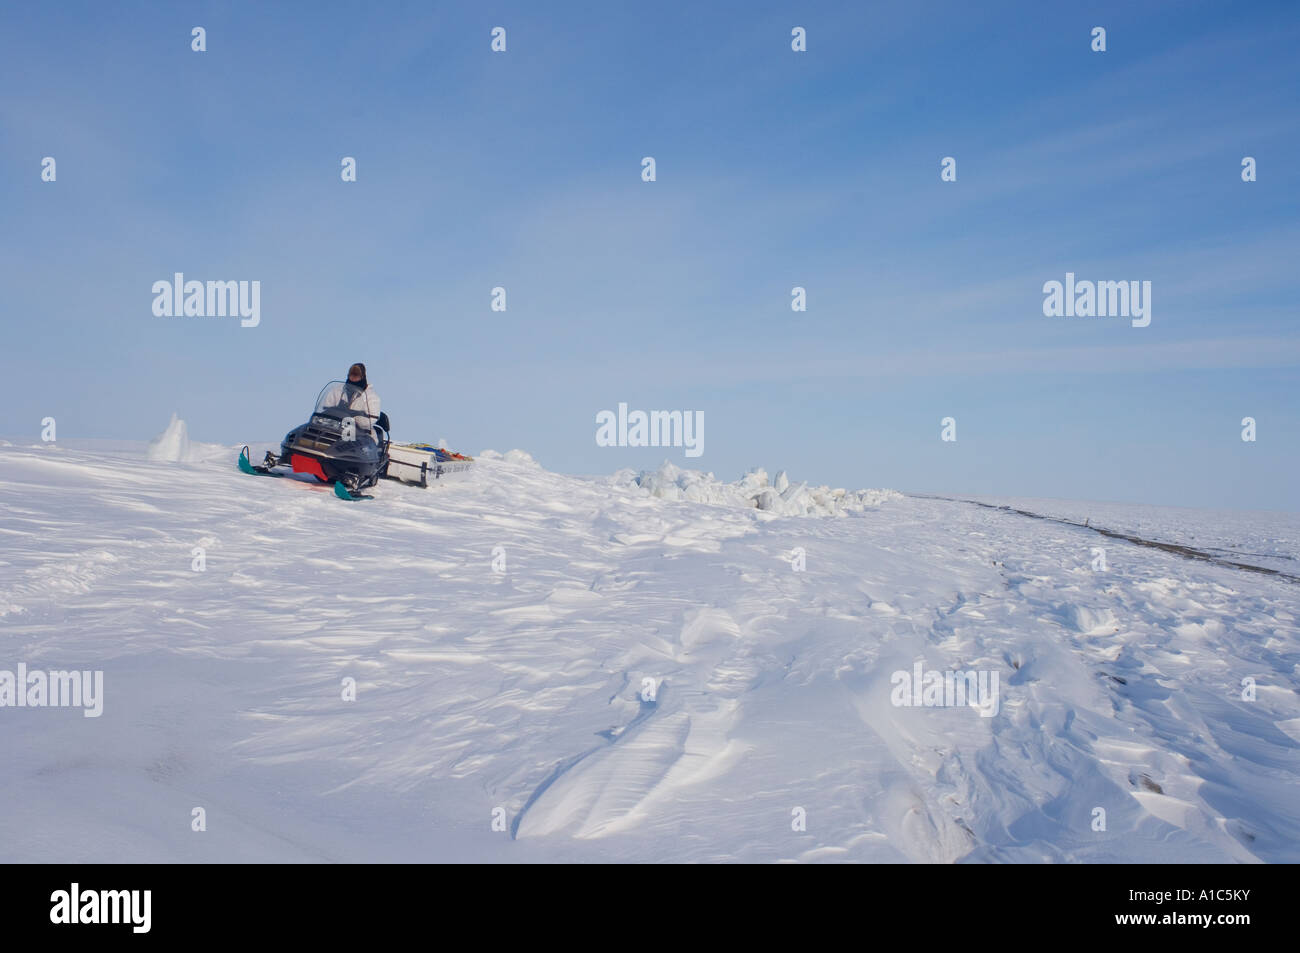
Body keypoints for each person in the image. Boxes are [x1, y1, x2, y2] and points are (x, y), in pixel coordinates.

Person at [320, 363, 386, 439]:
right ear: (348, 375)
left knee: (349, 438)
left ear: (362, 377)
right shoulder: (337, 390)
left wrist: (352, 418)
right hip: (334, 427)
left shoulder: (372, 397)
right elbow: (325, 407)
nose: (354, 378)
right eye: (352, 375)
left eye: (356, 375)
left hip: (361, 434)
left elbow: (369, 421)